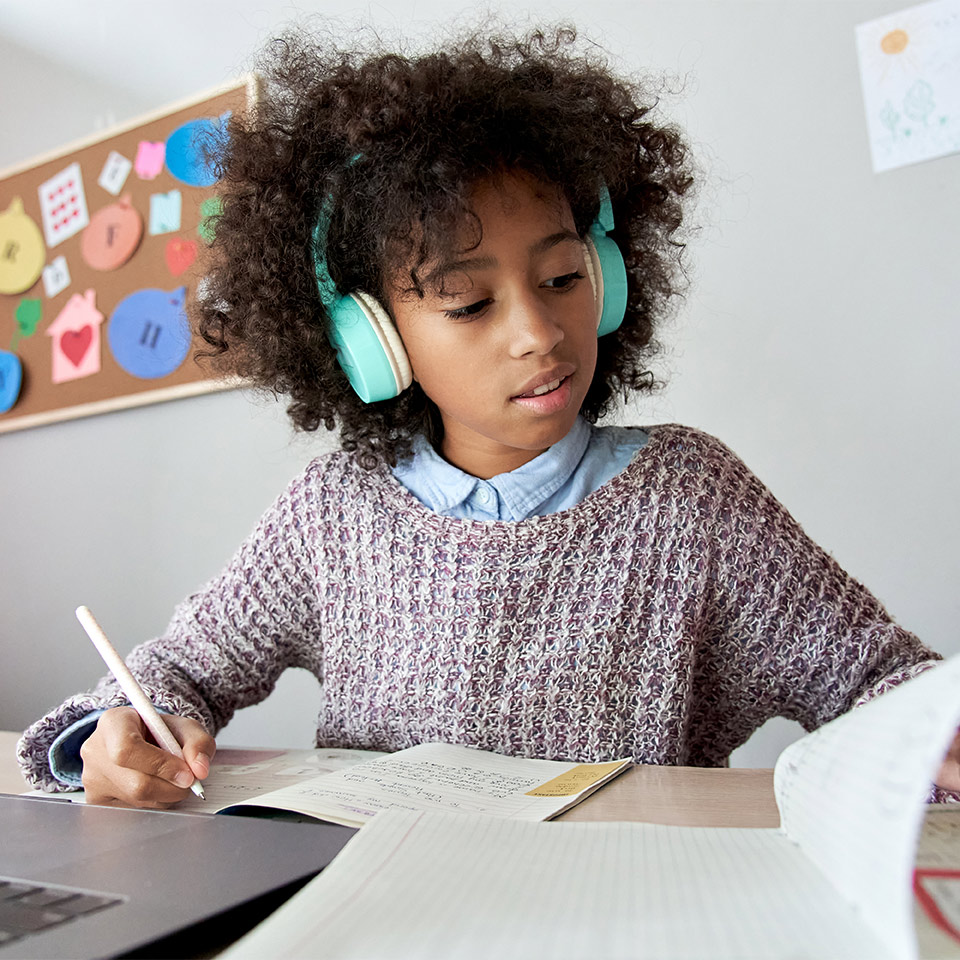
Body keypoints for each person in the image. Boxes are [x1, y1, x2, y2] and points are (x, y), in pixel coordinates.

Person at [17, 25, 960, 806]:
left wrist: (930, 747)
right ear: (370, 341)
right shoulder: (333, 514)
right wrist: (121, 735)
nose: (539, 331)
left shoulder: (693, 503)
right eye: (469, 305)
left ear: (612, 276)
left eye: (561, 277)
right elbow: (174, 672)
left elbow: (890, 690)